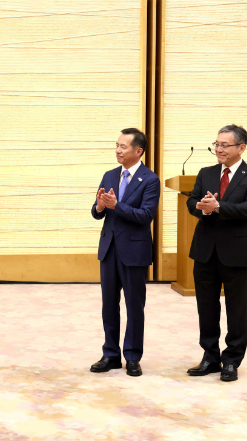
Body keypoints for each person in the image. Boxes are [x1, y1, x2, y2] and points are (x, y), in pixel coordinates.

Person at [186, 124, 247, 382]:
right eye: (216, 144)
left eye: (224, 145)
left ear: (241, 147)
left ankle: (232, 360)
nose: (218, 149)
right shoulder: (206, 172)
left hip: (236, 251)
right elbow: (192, 201)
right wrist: (204, 209)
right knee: (206, 307)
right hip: (205, 250)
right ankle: (210, 356)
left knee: (236, 307)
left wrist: (219, 206)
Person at [90, 128, 160, 377]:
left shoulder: (150, 180)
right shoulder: (109, 175)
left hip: (134, 251)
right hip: (109, 249)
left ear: (138, 151)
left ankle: (132, 356)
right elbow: (97, 211)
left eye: (123, 146)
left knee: (134, 305)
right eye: (116, 145)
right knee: (108, 305)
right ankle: (110, 354)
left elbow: (145, 216)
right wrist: (99, 207)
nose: (118, 150)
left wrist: (117, 207)